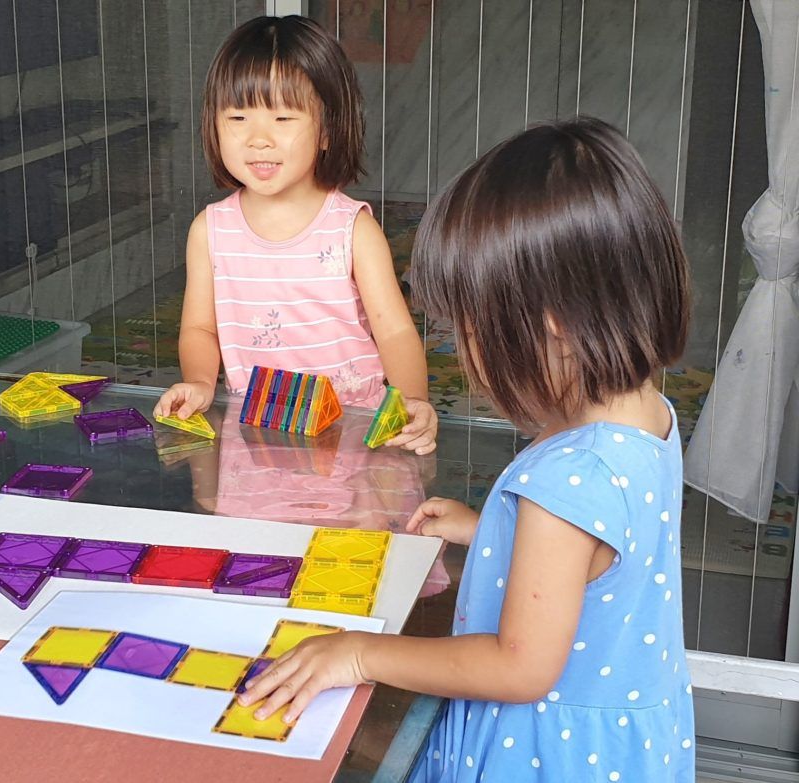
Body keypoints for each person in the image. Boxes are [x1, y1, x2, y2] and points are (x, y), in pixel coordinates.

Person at [238, 117, 695, 782]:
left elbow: (517, 665)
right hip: (627, 744)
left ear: (553, 321)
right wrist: (490, 530)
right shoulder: (647, 416)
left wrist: (359, 653)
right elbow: (607, 557)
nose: (465, 353)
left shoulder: (572, 473)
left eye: (472, 327)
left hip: (545, 755)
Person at [153, 15, 437, 454]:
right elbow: (199, 329)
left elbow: (395, 331)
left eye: (283, 117)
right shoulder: (209, 230)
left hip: (353, 433)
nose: (259, 139)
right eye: (238, 117)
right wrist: (199, 381)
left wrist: (413, 401)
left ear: (326, 129)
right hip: (259, 434)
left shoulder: (352, 228)